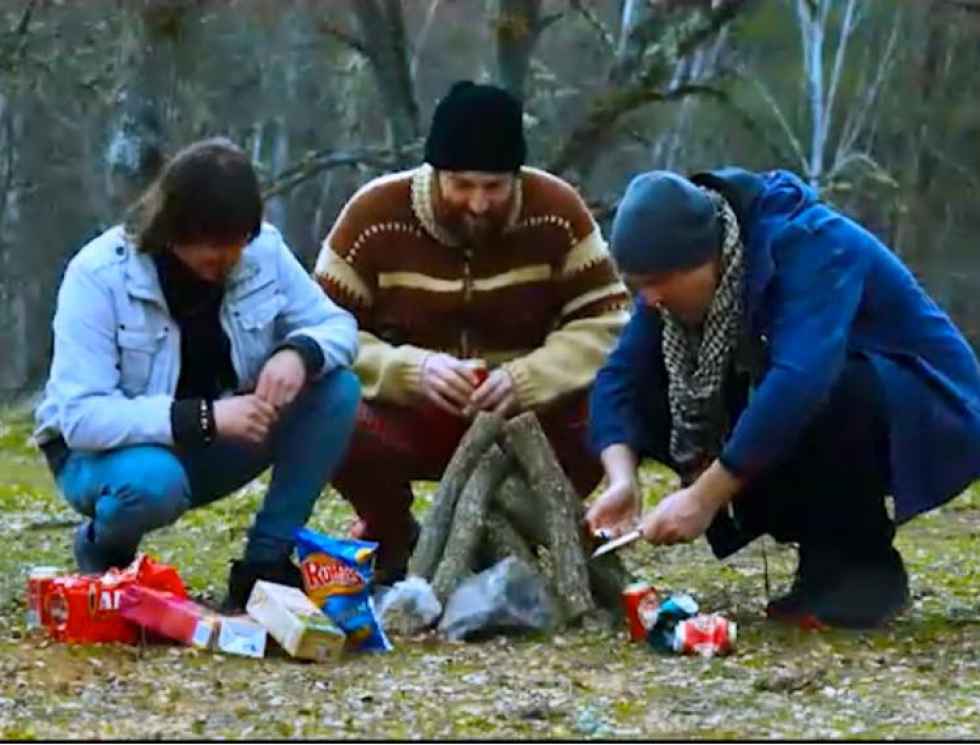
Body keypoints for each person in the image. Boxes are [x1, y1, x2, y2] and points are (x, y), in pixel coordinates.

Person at [586, 168, 980, 629]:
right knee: (666, 386)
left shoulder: (812, 242)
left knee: (826, 390)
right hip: (815, 401)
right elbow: (620, 377)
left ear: (707, 257)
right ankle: (820, 563)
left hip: (927, 406)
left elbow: (801, 380)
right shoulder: (669, 290)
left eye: (659, 281)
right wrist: (621, 480)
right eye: (638, 284)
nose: (649, 298)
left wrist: (704, 496)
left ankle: (862, 567)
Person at [314, 81, 631, 580]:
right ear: (435, 172)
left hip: (527, 420)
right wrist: (410, 371)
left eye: (494, 187)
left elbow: (608, 319)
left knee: (606, 406)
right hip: (415, 417)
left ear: (516, 176)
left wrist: (531, 377)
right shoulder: (374, 216)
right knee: (330, 408)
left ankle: (523, 530)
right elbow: (320, 329)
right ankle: (390, 529)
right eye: (462, 185)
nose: (479, 203)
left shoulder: (558, 211)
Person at [34, 137, 361, 610]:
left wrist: (299, 352)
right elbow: (81, 418)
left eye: (237, 242)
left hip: (214, 440)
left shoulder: (263, 252)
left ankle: (264, 565)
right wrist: (205, 417)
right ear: (172, 229)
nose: (226, 257)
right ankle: (105, 550)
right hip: (106, 457)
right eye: (210, 244)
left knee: (336, 389)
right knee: (151, 482)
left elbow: (337, 326)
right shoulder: (98, 275)